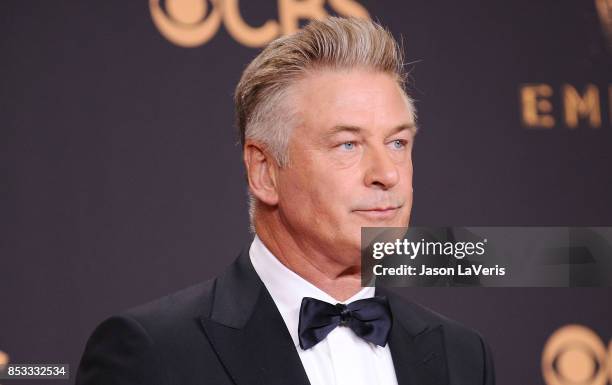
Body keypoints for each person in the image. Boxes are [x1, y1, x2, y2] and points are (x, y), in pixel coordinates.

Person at [76, 17, 495, 385]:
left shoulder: (462, 356)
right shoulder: (152, 354)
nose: (387, 174)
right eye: (348, 144)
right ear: (264, 171)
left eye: (398, 142)